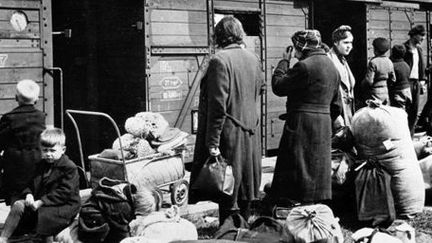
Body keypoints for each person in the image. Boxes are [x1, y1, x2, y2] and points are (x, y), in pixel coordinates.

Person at [188, 16, 265, 224]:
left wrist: (212, 143)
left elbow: (218, 107)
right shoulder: (254, 59)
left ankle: (229, 231)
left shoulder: (219, 60)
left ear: (219, 36)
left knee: (227, 186)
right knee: (247, 186)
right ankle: (244, 229)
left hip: (230, 134)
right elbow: (260, 89)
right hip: (251, 132)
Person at [269, 29, 342, 205]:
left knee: (297, 165)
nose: (295, 53)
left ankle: (293, 204)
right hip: (323, 123)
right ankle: (315, 204)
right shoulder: (332, 66)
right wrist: (323, 117)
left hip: (302, 123)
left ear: (301, 47)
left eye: (295, 48)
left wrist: (284, 62)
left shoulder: (303, 66)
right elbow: (337, 105)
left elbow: (278, 87)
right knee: (316, 166)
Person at [0, 128, 81, 243]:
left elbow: (65, 192)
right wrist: (28, 194)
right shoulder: (41, 165)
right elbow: (29, 183)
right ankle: (3, 238)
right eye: (45, 150)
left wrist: (42, 201)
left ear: (63, 150)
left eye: (52, 151)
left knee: (45, 215)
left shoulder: (69, 168)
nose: (48, 154)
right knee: (18, 205)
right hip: (41, 202)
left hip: (63, 205)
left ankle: (46, 239)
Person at [0, 79, 46, 206]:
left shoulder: (9, 118)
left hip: (15, 164)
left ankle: (16, 215)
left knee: (16, 194)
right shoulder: (41, 116)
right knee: (34, 191)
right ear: (36, 99)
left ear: (16, 98)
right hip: (36, 161)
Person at [328, 25, 355, 130]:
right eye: (346, 43)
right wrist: (335, 116)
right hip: (336, 114)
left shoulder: (343, 60)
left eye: (351, 42)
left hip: (347, 111)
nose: (350, 46)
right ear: (335, 42)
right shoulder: (329, 60)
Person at [403, 25, 427, 135]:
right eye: (421, 35)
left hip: (416, 83)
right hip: (406, 83)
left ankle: (410, 136)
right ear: (414, 35)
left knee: (414, 111)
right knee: (404, 111)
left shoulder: (419, 49)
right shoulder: (404, 48)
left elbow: (421, 65)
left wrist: (423, 80)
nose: (423, 38)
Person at [361, 37, 395, 105]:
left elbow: (369, 81)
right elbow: (393, 79)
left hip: (375, 92)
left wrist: (362, 85)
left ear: (375, 50)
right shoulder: (389, 62)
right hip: (385, 92)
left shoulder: (373, 62)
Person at [389, 44, 412, 111]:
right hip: (407, 91)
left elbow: (392, 80)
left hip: (398, 92)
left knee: (398, 112)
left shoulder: (393, 66)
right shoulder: (406, 65)